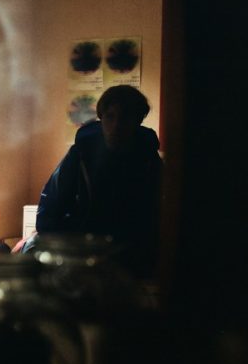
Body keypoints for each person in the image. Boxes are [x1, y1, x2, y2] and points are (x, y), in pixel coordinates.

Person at [23, 85, 162, 278]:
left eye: (125, 118)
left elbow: (158, 214)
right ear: (101, 118)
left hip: (130, 254)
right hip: (81, 251)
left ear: (137, 121)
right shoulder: (81, 154)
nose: (116, 125)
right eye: (110, 117)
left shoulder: (149, 160)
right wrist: (63, 250)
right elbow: (51, 207)